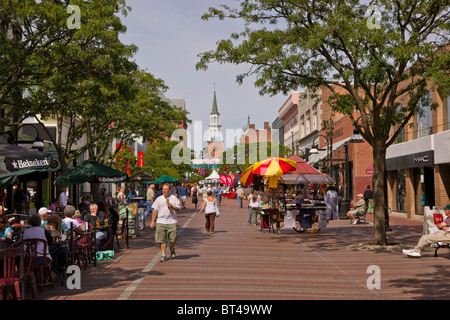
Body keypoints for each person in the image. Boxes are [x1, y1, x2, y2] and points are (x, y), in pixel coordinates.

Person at [150, 183, 181, 262]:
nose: (164, 191)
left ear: (170, 190)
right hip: (161, 221)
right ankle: (163, 255)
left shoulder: (174, 198)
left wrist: (172, 206)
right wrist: (153, 221)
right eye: (163, 189)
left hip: (171, 221)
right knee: (161, 239)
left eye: (166, 189)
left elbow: (178, 208)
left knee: (173, 239)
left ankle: (172, 248)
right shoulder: (159, 199)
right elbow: (154, 210)